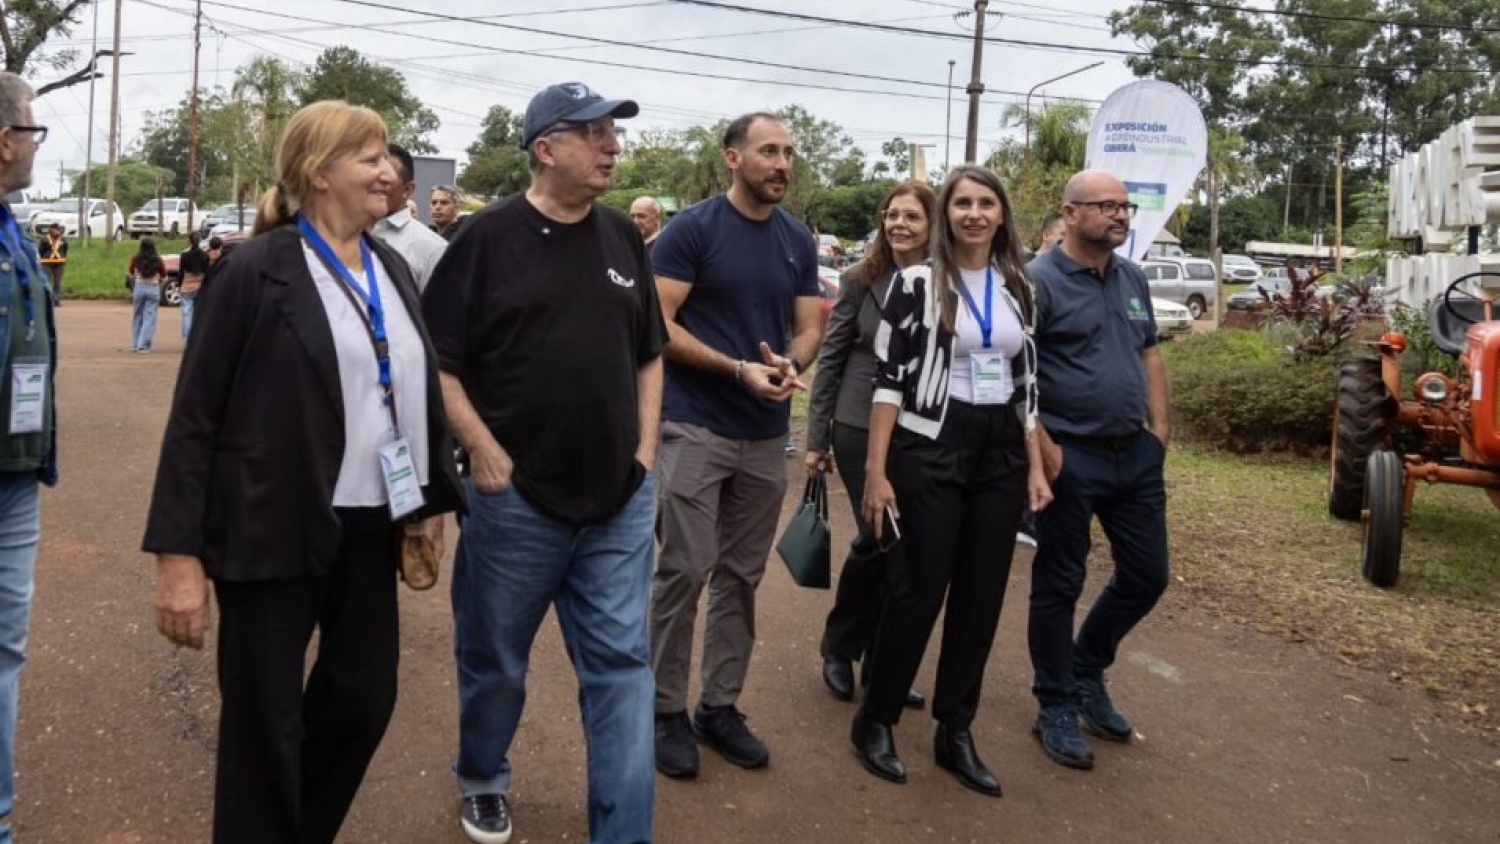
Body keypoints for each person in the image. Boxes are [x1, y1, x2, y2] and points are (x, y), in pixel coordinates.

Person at [143, 100, 463, 844]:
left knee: (363, 700)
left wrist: (425, 501)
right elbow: (194, 421)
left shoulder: (388, 266)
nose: (390, 172)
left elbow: (408, 387)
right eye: (371, 157)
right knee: (263, 724)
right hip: (270, 524)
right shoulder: (255, 271)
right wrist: (177, 559)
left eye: (386, 156)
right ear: (319, 173)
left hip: (367, 526)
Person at [423, 82, 662, 844]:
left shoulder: (624, 236)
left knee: (622, 669)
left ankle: (623, 834)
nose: (611, 147)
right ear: (545, 148)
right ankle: (484, 774)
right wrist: (484, 450)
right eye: (593, 134)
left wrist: (646, 454)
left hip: (617, 502)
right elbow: (438, 364)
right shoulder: (485, 239)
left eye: (612, 134)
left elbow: (650, 355)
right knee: (496, 659)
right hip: (516, 502)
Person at [853, 165, 1049, 797]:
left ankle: (954, 729)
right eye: (962, 202)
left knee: (981, 596)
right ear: (948, 215)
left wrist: (1036, 465)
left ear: (1001, 214)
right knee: (917, 588)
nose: (972, 213)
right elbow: (887, 381)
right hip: (929, 443)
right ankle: (876, 717)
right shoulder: (914, 283)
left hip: (998, 452)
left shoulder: (1019, 285)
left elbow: (1027, 384)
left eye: (985, 203)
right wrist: (876, 472)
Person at [650, 111, 823, 779]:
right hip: (694, 423)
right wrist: (734, 369)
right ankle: (664, 709)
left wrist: (789, 365)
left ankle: (718, 707)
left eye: (788, 153)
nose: (782, 164)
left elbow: (808, 326)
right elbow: (656, 325)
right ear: (732, 158)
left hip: (765, 434)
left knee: (741, 579)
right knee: (685, 569)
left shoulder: (796, 239)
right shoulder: (692, 230)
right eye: (768, 151)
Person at [1026, 169, 1170, 772]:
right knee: (1060, 581)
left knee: (1147, 575)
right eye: (1106, 206)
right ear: (1070, 212)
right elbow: (1017, 373)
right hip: (1070, 455)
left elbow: (1149, 351)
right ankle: (1055, 702)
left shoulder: (1131, 276)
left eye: (1125, 206)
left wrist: (1158, 432)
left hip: (1133, 454)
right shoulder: (1036, 281)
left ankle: (1087, 667)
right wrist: (1046, 450)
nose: (1120, 216)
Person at [803, 180, 936, 711]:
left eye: (912, 217)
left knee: (900, 545)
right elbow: (831, 357)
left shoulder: (946, 281)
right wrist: (816, 439)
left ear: (933, 225)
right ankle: (844, 649)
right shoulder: (862, 278)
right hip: (859, 424)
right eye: (891, 215)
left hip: (922, 427)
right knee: (884, 538)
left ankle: (876, 657)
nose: (899, 225)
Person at [0, 73, 55, 844]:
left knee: (5, 650)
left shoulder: (12, 228)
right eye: (34, 130)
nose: (37, 145)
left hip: (14, 475)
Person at [372, 143, 448, 292]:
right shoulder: (346, 235)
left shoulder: (433, 248)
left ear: (407, 190)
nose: (373, 183)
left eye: (384, 178)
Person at [128, 237, 164, 353]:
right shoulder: (158, 259)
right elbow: (163, 274)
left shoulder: (135, 258)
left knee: (137, 315)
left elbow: (131, 271)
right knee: (149, 317)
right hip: (153, 288)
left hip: (139, 287)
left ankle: (135, 344)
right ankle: (143, 345)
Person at [178, 231, 209, 341]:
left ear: (189, 241)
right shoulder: (205, 255)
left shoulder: (184, 256)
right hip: (200, 286)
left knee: (186, 314)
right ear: (200, 241)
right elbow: (207, 272)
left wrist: (179, 285)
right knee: (198, 315)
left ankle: (187, 340)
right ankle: (197, 339)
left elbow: (181, 273)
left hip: (187, 286)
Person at [37, 223, 65, 305]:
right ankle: (46, 300)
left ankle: (56, 299)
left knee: (57, 282)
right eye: (55, 230)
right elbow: (40, 251)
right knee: (46, 281)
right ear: (50, 230)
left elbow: (65, 249)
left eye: (58, 230)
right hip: (46, 263)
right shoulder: (44, 240)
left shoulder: (63, 240)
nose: (57, 232)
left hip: (59, 263)